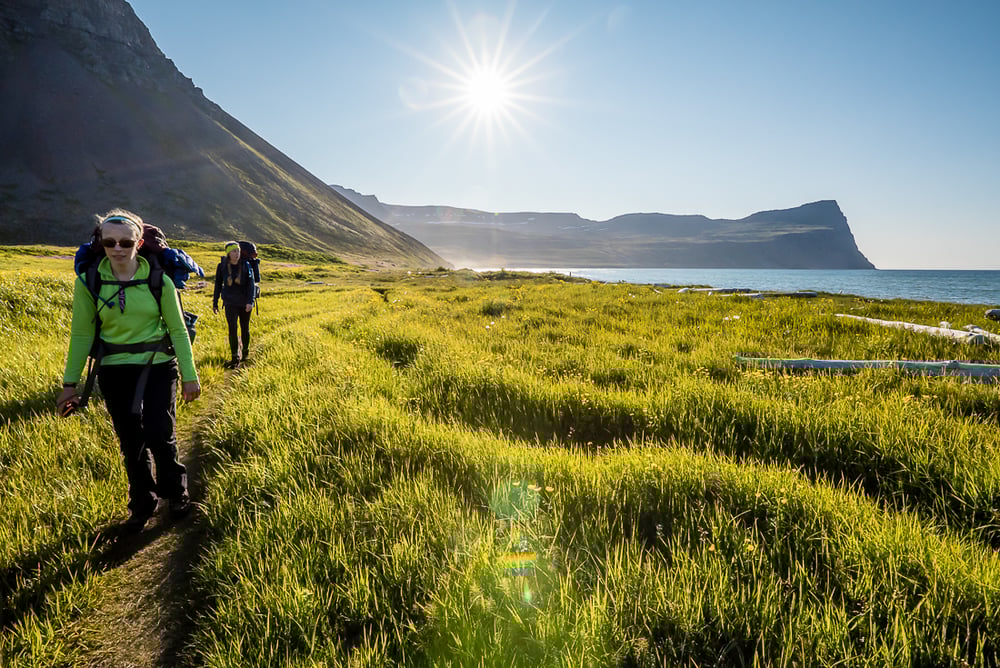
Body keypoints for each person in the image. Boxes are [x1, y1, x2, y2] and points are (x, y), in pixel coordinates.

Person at [56, 209, 201, 533]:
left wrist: (190, 376)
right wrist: (69, 384)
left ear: (138, 242)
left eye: (125, 242)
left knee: (159, 432)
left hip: (159, 367)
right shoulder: (89, 281)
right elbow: (80, 334)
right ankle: (142, 505)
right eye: (109, 242)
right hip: (113, 370)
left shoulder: (158, 279)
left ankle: (176, 493)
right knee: (130, 440)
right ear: (101, 243)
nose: (117, 248)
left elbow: (177, 330)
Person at [212, 241, 256, 369]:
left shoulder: (246, 265)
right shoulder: (222, 266)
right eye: (234, 251)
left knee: (244, 327)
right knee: (232, 328)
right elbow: (218, 285)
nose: (237, 254)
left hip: (244, 302)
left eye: (238, 251)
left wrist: (250, 302)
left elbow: (251, 285)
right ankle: (234, 357)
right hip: (230, 302)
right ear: (228, 253)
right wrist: (215, 303)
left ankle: (245, 352)